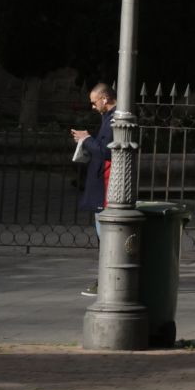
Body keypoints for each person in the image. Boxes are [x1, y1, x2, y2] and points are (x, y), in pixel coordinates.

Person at [70, 84, 115, 297]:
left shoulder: (115, 119)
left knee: (105, 236)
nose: (93, 106)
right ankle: (105, 279)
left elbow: (106, 151)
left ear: (105, 99)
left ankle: (105, 280)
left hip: (106, 186)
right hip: (102, 184)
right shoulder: (109, 119)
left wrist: (86, 140)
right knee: (103, 235)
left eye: (95, 101)